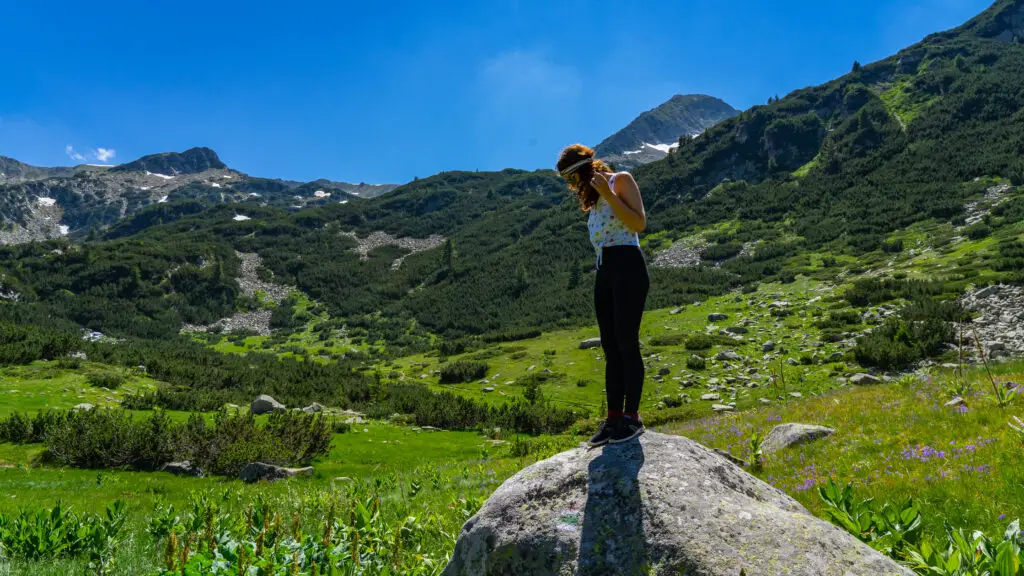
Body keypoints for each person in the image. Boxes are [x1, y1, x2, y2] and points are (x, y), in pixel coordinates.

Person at [557, 144, 649, 446]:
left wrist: (609, 195)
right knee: (610, 346)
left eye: (573, 178)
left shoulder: (620, 180)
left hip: (628, 264)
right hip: (605, 269)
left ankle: (632, 418)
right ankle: (613, 419)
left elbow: (638, 223)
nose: (575, 186)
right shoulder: (593, 200)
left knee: (626, 341)